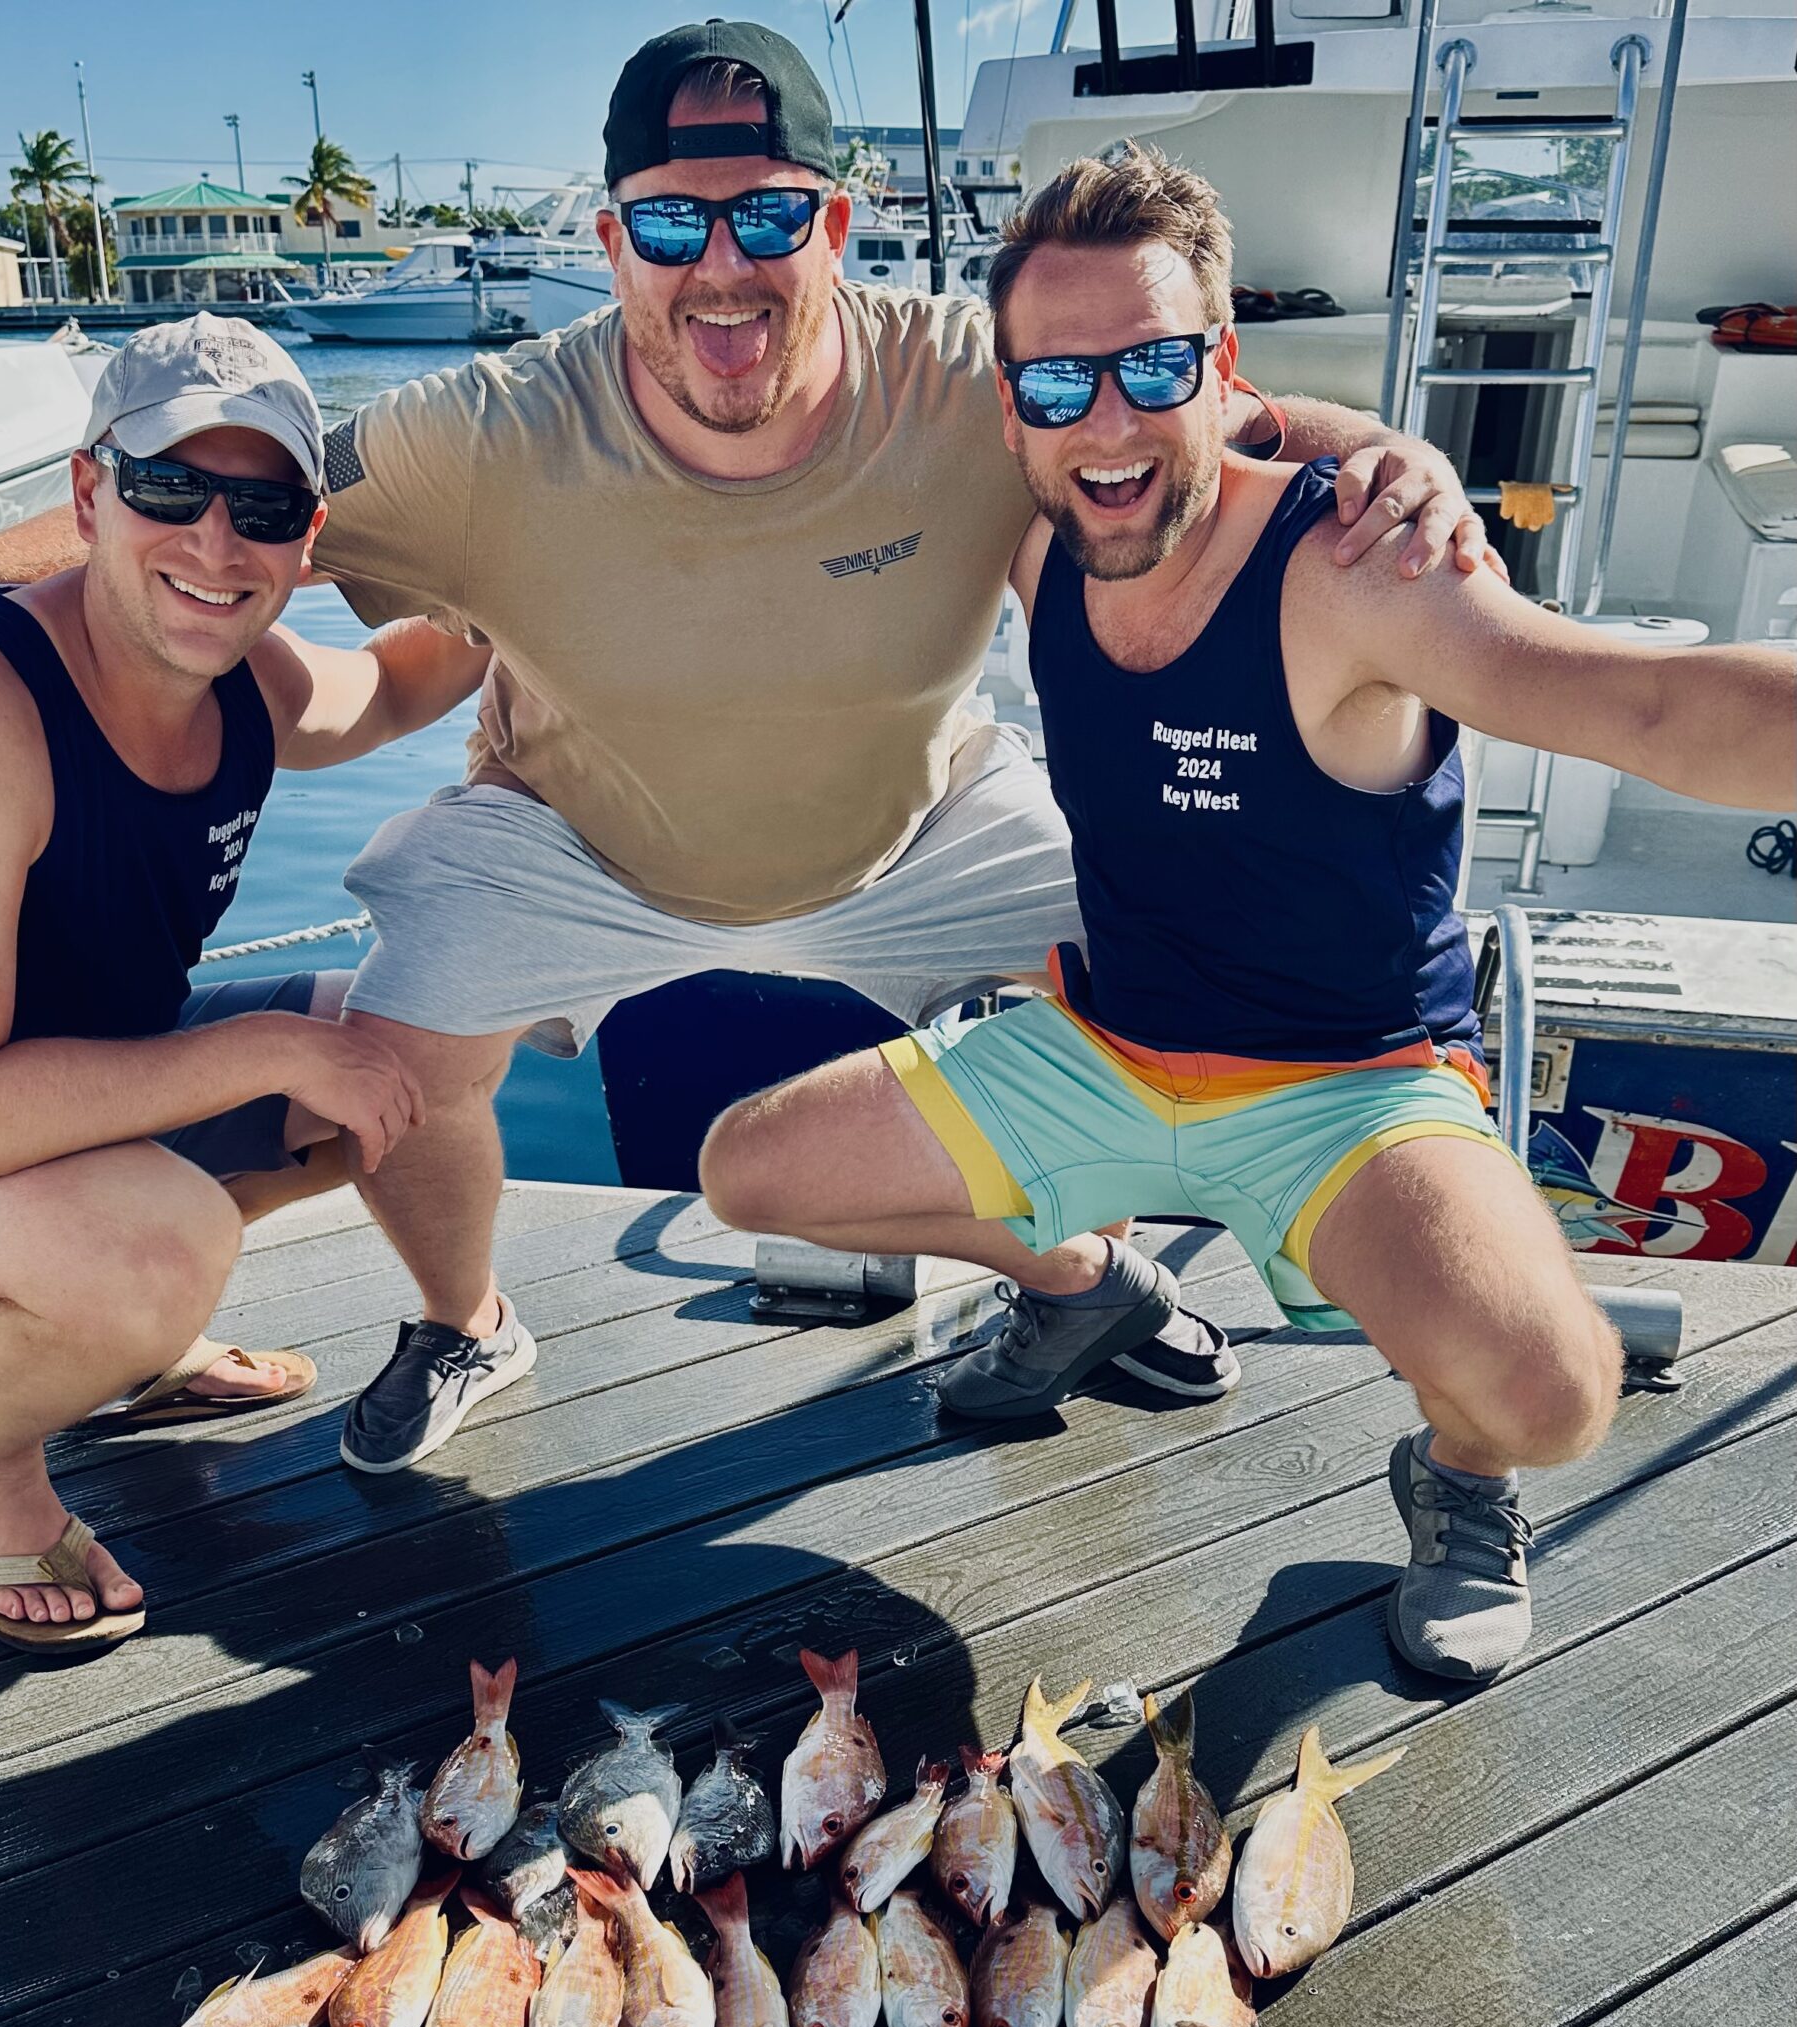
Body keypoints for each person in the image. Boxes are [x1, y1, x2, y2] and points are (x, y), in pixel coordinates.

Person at [0, 22, 1497, 1477]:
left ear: (834, 225)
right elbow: (207, 502)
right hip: (576, 836)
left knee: (1188, 956)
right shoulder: (485, 435)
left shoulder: (972, 382)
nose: (723, 266)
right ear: (612, 238)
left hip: (916, 826)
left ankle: (1096, 1280)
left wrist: (1401, 457)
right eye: (671, 221)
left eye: (770, 214)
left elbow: (1220, 417)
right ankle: (467, 1323)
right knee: (396, 1038)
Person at [696, 146, 1797, 1680]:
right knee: (748, 1170)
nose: (1108, 420)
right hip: (1106, 1048)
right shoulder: (1035, 535)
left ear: (1222, 368)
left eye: (1156, 365)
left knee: (1552, 1392)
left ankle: (1458, 1477)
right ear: (1007, 403)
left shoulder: (1353, 567)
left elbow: (1653, 708)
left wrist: (1385, 449)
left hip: (1351, 1089)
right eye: (1059, 382)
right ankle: (1087, 1288)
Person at [0, 316, 486, 1650]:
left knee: (427, 1044)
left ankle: (135, 1352)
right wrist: (268, 1050)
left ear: (305, 540)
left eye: (260, 507)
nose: (212, 542)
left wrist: (546, 592)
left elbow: (394, 687)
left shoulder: (253, 677)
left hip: (72, 1109)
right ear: (89, 495)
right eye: (168, 489)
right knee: (159, 1245)